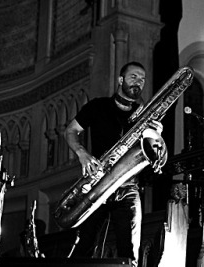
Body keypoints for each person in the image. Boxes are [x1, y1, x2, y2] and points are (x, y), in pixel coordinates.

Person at [64, 61, 162, 266]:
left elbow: (153, 151)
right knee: (84, 247)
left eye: (142, 79)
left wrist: (156, 135)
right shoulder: (97, 106)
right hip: (99, 183)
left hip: (129, 185)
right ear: (120, 80)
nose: (139, 82)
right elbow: (70, 130)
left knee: (129, 252)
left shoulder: (145, 114)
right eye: (134, 76)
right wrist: (82, 154)